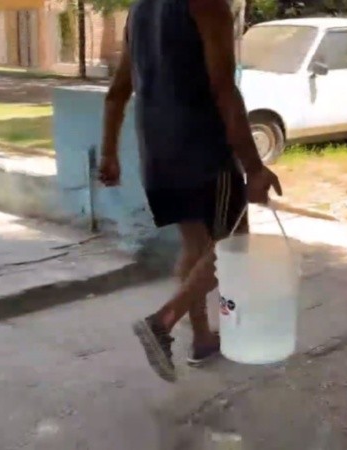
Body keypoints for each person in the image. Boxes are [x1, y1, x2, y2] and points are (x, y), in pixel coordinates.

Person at [99, 0, 283, 382]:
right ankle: (163, 322)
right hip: (203, 154)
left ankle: (201, 338)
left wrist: (109, 154)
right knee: (235, 246)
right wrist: (253, 167)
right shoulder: (207, 5)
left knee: (195, 247)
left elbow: (118, 91)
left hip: (157, 156)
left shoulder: (141, 11)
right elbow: (222, 88)